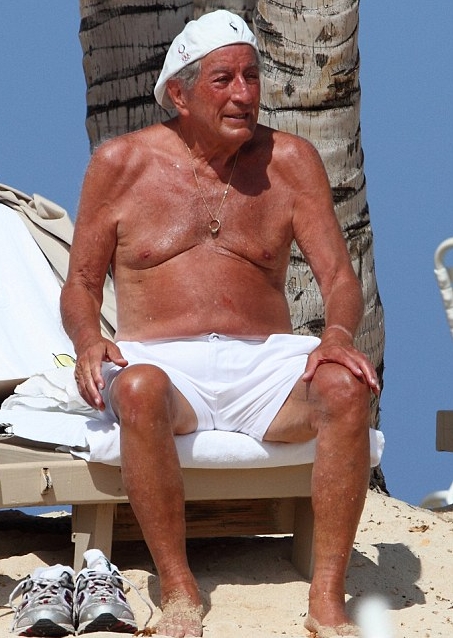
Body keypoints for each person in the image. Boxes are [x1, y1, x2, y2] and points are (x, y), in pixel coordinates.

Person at [60, 10, 380, 638]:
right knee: (139, 388)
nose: (243, 93)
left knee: (345, 389)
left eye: (251, 77)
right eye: (223, 79)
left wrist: (338, 338)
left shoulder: (290, 161)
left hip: (265, 363)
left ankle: (326, 599)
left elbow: (340, 278)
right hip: (164, 363)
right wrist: (89, 340)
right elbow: (81, 282)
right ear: (179, 95)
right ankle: (179, 588)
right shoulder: (121, 163)